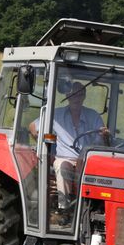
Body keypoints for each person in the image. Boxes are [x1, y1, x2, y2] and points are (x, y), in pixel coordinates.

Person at [29, 81, 109, 211]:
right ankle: (64, 209)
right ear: (67, 96)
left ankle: (88, 208)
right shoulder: (56, 115)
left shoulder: (93, 116)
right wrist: (44, 144)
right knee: (62, 166)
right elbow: (33, 127)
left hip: (86, 160)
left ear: (84, 96)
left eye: (80, 94)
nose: (76, 98)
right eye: (73, 95)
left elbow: (101, 140)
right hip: (64, 158)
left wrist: (104, 135)